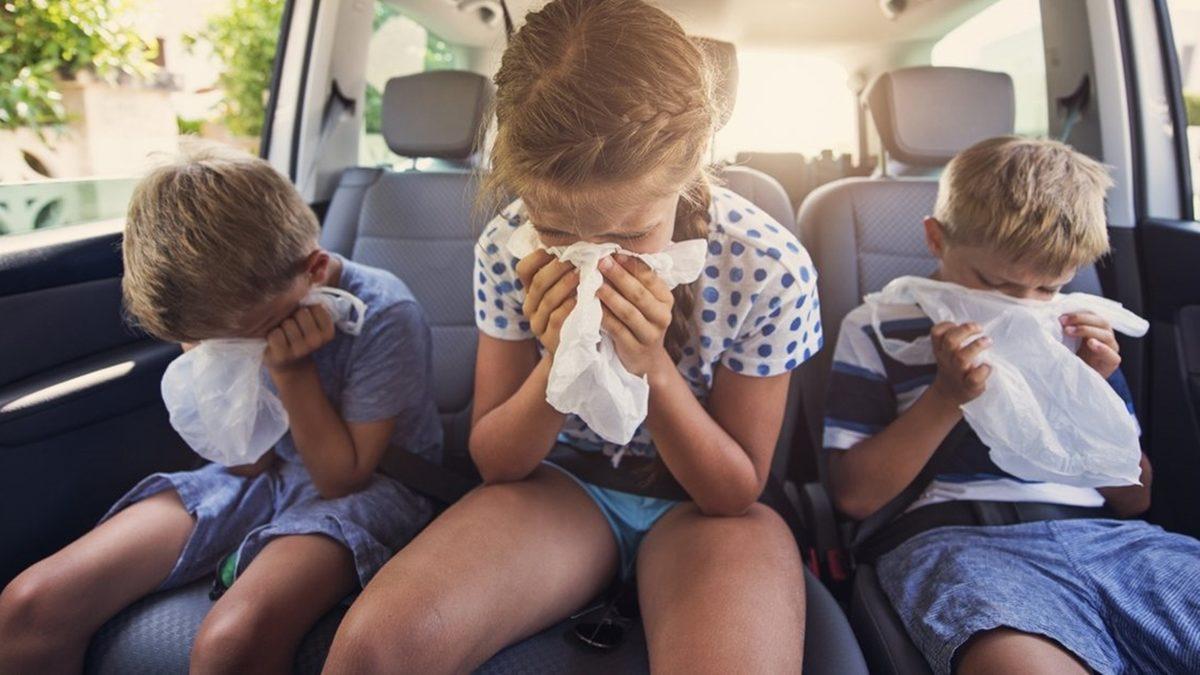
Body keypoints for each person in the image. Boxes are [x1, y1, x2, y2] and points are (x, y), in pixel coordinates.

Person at [322, 1, 824, 671]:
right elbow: (497, 460)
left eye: (629, 234)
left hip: (703, 509)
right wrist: (560, 359)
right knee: (372, 651)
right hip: (562, 484)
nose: (595, 259)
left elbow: (734, 491)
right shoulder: (507, 245)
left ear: (693, 159)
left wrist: (652, 366)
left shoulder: (769, 266)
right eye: (557, 231)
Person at [0, 145, 442, 673]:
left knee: (231, 641)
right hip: (266, 472)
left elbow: (340, 480)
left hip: (372, 487)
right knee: (29, 604)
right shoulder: (223, 313)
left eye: (244, 339)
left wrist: (292, 373)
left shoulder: (385, 312)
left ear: (315, 270)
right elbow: (245, 461)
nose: (231, 352)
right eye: (211, 345)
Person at [825, 136, 1200, 674]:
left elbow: (1134, 498)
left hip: (1110, 542)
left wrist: (1089, 389)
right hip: (958, 543)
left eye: (1048, 288)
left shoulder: (1074, 332)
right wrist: (947, 397)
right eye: (995, 284)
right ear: (935, 239)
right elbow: (854, 497)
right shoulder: (878, 326)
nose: (1022, 306)